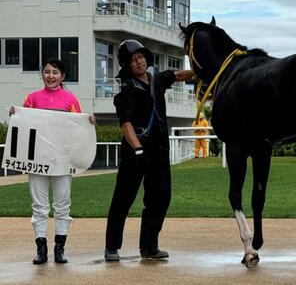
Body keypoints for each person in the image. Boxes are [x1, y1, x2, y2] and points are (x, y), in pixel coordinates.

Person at [104, 39, 193, 261]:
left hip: (159, 149)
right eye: (133, 60)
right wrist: (138, 149)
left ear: (146, 57)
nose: (138, 62)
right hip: (136, 152)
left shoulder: (157, 79)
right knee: (123, 198)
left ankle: (149, 247)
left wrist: (205, 68)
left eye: (141, 57)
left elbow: (180, 75)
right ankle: (112, 247)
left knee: (160, 197)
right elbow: (125, 124)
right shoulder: (126, 90)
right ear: (126, 65)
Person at [9, 59, 96, 265]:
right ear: (42, 75)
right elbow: (23, 123)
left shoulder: (71, 99)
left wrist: (89, 121)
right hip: (38, 159)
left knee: (62, 205)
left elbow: (77, 128)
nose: (50, 76)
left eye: (55, 72)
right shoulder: (32, 98)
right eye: (46, 72)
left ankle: (59, 249)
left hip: (62, 161)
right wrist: (14, 114)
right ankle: (41, 249)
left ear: (62, 76)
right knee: (39, 206)